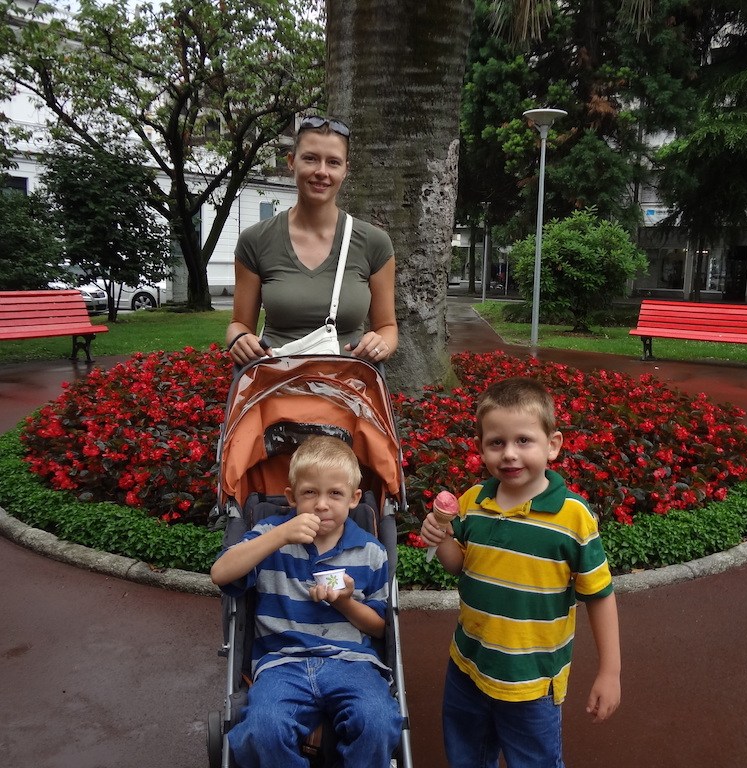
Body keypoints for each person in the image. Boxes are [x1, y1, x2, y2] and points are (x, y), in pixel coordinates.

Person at [420, 377, 621, 768]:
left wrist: (610, 671)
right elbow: (457, 565)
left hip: (531, 681)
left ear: (554, 445)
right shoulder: (473, 502)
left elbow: (599, 594)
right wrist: (440, 536)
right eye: (496, 443)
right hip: (468, 664)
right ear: (481, 448)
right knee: (466, 756)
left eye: (523, 441)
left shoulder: (572, 517)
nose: (509, 454)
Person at [210, 435, 402, 768]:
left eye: (335, 494)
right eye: (310, 492)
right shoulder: (271, 535)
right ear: (292, 496)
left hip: (352, 663)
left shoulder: (371, 552)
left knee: (378, 720)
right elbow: (221, 573)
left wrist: (345, 602)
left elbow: (382, 628)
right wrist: (279, 535)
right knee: (262, 729)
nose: (322, 504)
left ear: (354, 499)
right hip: (282, 664)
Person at [226, 115, 398, 366]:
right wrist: (240, 340)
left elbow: (387, 327)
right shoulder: (256, 240)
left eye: (333, 162)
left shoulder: (374, 243)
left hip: (348, 389)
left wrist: (380, 343)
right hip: (276, 385)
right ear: (291, 162)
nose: (321, 172)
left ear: (345, 170)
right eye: (310, 158)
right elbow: (239, 324)